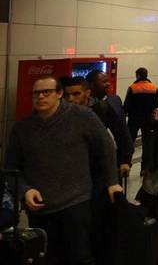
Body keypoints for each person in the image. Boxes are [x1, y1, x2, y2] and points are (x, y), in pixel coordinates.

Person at [5, 76, 122, 265]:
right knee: (47, 257)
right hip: (40, 208)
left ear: (59, 94)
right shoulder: (22, 128)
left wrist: (112, 181)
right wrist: (25, 191)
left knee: (79, 256)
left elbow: (106, 146)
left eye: (46, 92)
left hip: (77, 202)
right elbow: (11, 168)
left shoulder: (82, 117)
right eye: (36, 93)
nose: (40, 97)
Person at [65, 77, 133, 179]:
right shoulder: (62, 113)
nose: (70, 99)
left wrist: (125, 161)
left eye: (76, 94)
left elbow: (122, 135)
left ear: (87, 93)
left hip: (98, 167)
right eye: (67, 95)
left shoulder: (101, 109)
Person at [124, 67, 158, 141]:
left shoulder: (133, 87)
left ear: (138, 76)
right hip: (148, 118)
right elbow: (157, 104)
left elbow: (127, 104)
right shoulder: (154, 88)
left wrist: (125, 113)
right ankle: (147, 153)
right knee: (147, 141)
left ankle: (129, 152)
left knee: (130, 139)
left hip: (134, 118)